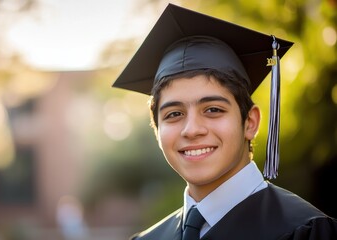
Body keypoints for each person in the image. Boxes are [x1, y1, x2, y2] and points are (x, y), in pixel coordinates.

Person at [112, 3, 337, 240]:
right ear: (156, 130)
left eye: (212, 109)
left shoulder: (308, 232)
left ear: (250, 122)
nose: (192, 130)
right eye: (174, 114)